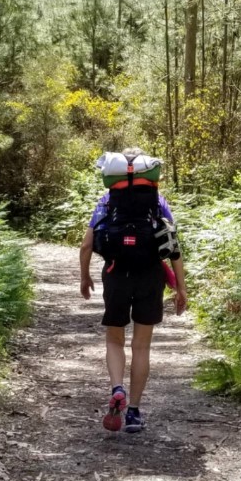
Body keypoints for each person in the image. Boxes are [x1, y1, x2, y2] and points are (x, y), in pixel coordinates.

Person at [78, 148, 188, 433]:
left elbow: (86, 245)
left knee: (115, 340)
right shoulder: (157, 202)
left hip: (116, 275)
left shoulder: (106, 201)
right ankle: (135, 413)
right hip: (150, 277)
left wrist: (84, 277)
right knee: (141, 346)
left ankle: (117, 389)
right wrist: (181, 289)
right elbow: (172, 247)